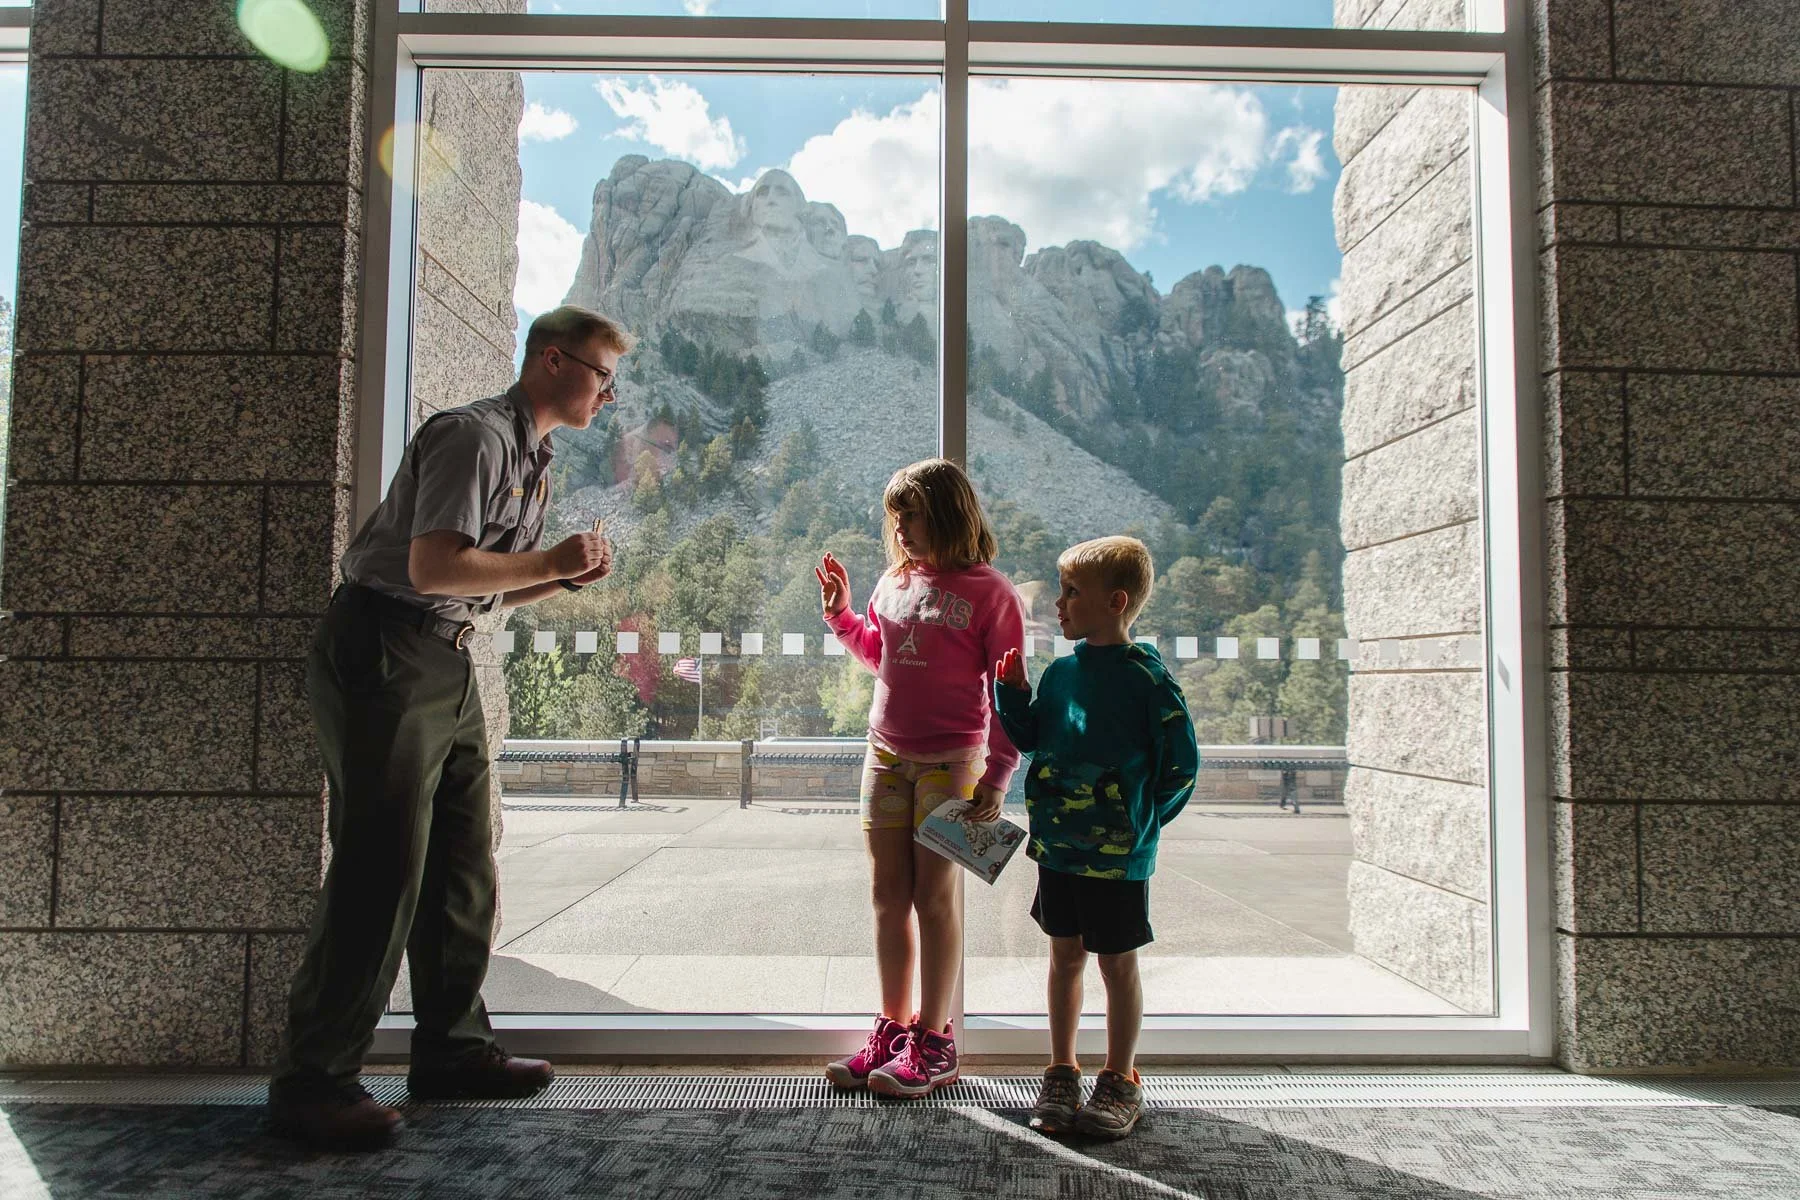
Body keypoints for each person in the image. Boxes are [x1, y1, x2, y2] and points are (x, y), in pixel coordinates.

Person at [267, 306, 634, 1150]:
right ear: (552, 361)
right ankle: (313, 1083)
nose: (609, 396)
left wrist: (563, 576)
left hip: (444, 653)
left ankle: (453, 1050)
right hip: (387, 645)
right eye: (601, 375)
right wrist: (549, 560)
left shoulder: (530, 457)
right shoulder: (474, 437)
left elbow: (481, 586)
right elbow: (433, 567)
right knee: (380, 861)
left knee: (462, 859)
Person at [816, 458, 1025, 1099]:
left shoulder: (993, 594)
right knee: (887, 898)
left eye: (911, 514)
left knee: (934, 901)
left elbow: (1010, 694)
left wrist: (998, 773)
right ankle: (892, 1029)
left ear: (949, 513)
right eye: (895, 516)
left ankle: (934, 1042)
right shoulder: (892, 582)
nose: (901, 527)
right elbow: (882, 656)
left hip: (952, 763)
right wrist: (843, 617)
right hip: (884, 756)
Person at [992, 535, 1198, 1140]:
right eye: (1060, 591)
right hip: (1058, 850)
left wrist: (1142, 824)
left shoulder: (1149, 683)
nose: (1058, 604)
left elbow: (1181, 767)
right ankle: (1061, 1071)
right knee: (1064, 957)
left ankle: (1121, 1078)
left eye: (1072, 593)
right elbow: (1033, 739)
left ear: (1115, 601)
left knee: (1117, 964)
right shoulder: (1059, 675)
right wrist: (1011, 695)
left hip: (1117, 860)